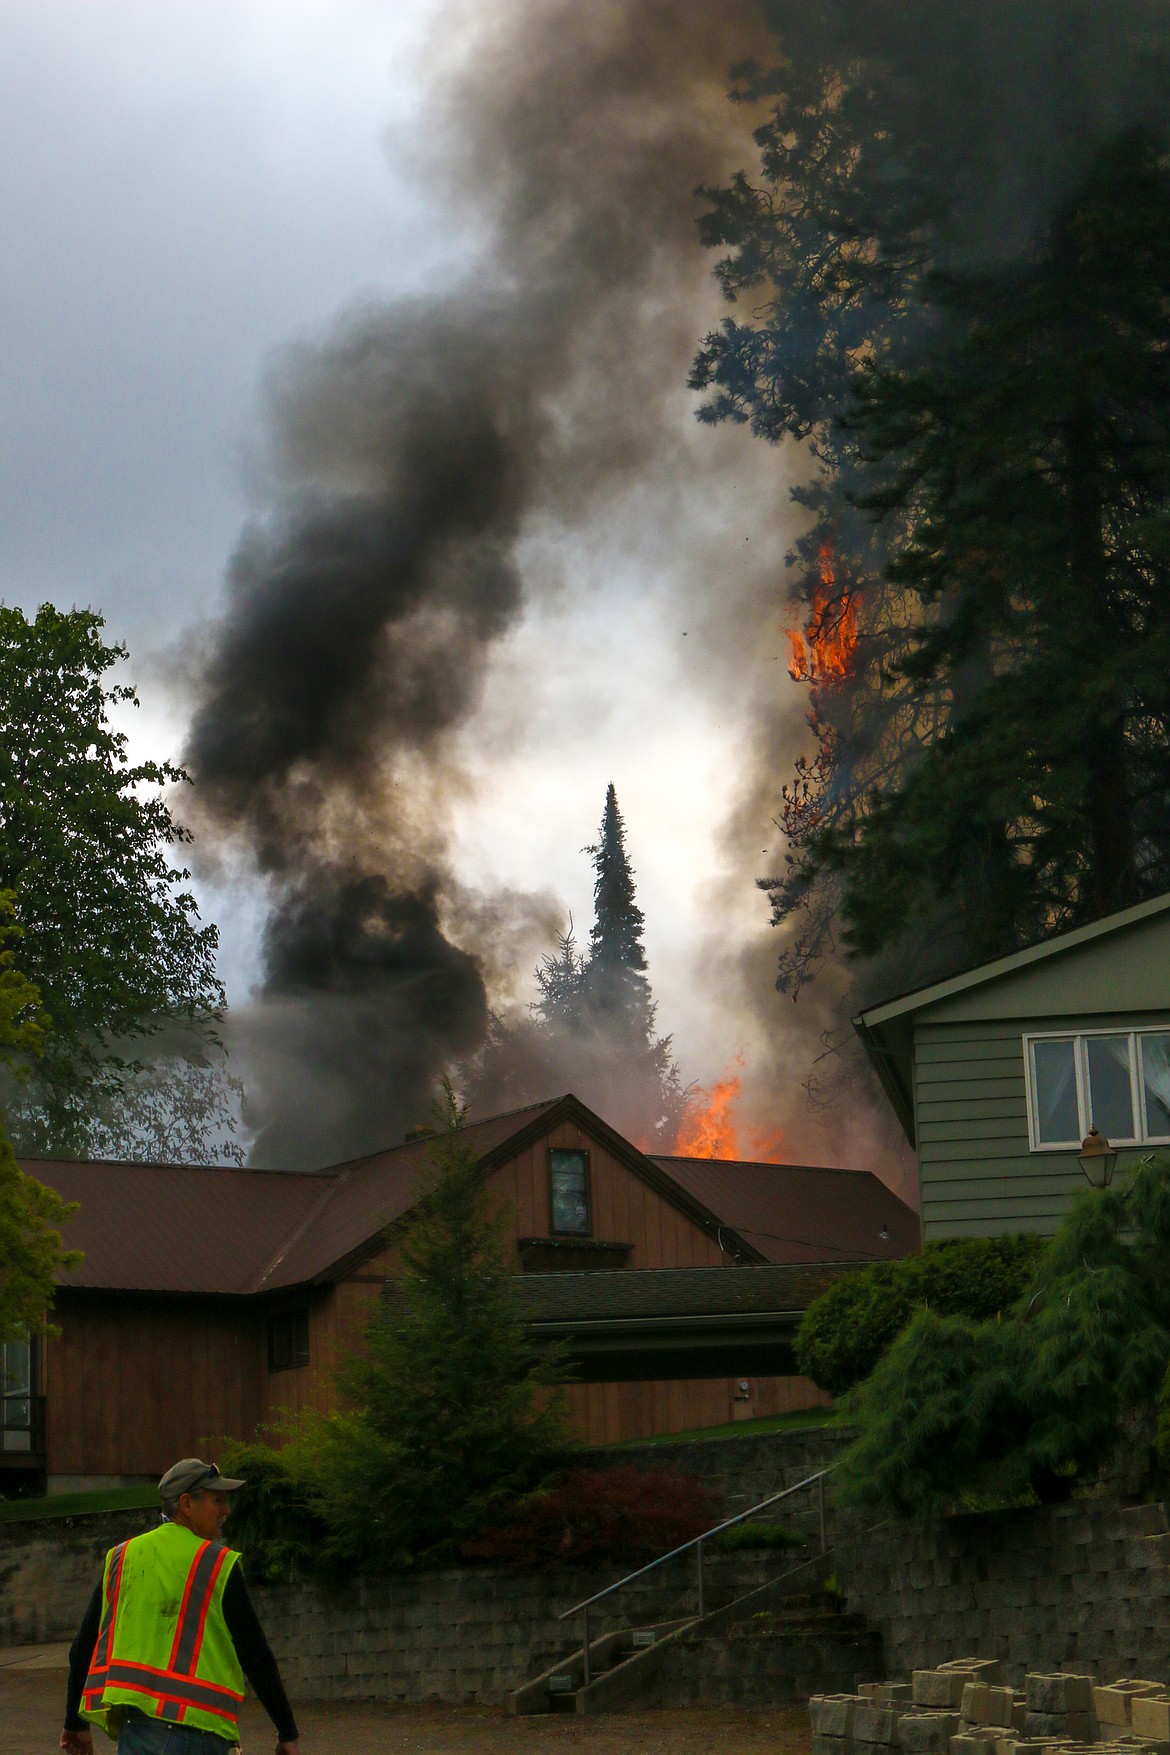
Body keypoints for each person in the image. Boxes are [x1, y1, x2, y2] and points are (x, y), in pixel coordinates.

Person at [59, 1457, 300, 1755]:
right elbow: (255, 1655)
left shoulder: (122, 1559)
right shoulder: (216, 1562)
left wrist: (74, 1722)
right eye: (217, 1500)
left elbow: (82, 1648)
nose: (226, 1510)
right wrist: (286, 1730)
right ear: (187, 1503)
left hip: (139, 1733)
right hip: (201, 1736)